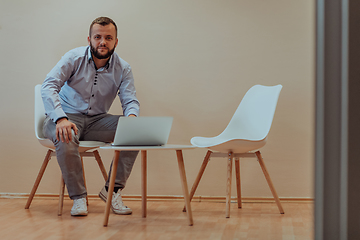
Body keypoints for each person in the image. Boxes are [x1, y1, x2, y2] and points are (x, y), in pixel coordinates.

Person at [41, 16, 140, 216]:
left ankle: (111, 191)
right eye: (98, 37)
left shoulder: (123, 68)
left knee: (136, 133)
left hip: (97, 121)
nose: (102, 42)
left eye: (108, 37)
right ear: (89, 40)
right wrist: (60, 118)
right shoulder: (73, 58)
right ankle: (79, 198)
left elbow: (130, 100)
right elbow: (49, 86)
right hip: (65, 117)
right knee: (65, 135)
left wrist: (131, 119)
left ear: (116, 42)